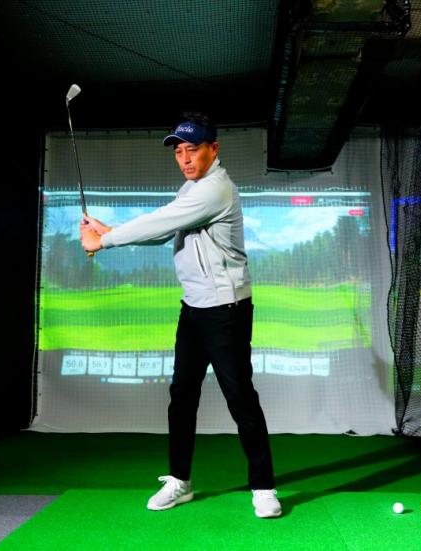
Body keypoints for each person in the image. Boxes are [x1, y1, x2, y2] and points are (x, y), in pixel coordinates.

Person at [79, 113, 281, 518]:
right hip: (194, 309)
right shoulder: (191, 189)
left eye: (193, 150)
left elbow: (160, 221)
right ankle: (180, 481)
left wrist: (105, 241)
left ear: (213, 149)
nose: (185, 159)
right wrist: (108, 229)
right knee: (182, 397)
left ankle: (263, 487)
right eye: (179, 152)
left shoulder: (216, 189)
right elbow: (161, 232)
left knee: (240, 397)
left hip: (226, 310)